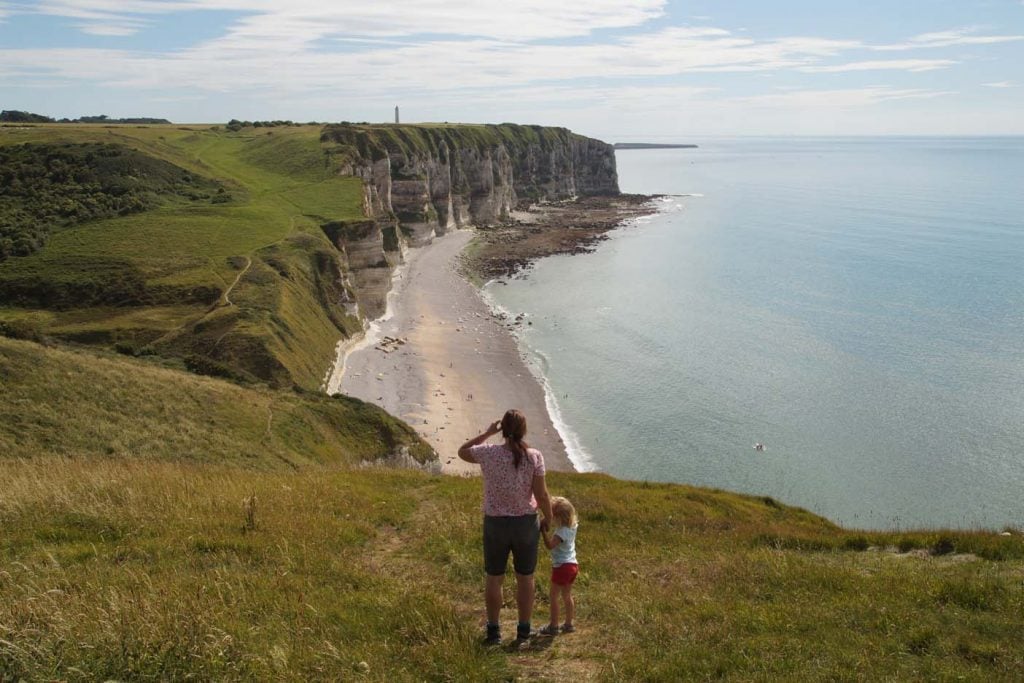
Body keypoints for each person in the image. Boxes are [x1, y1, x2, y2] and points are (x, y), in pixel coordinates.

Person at [458, 409, 553, 646]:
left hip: (495, 524)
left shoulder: (488, 454)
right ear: (524, 430)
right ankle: (523, 631)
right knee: (525, 578)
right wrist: (548, 517)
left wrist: (488, 433)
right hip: (525, 525)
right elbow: (541, 494)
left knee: (494, 577)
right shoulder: (535, 456)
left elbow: (462, 452)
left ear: (504, 430)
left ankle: (493, 632)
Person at [539, 496, 579, 635]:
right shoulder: (572, 527)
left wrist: (543, 531)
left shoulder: (560, 532)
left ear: (558, 517)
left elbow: (550, 546)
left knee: (554, 596)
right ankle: (569, 624)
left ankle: (554, 626)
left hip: (562, 566)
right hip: (573, 565)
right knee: (567, 595)